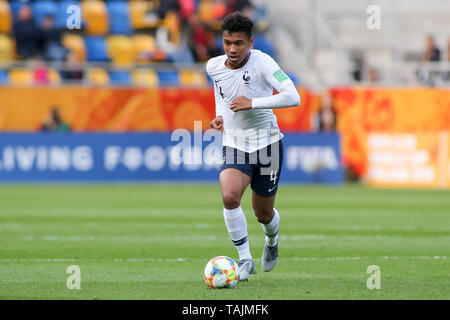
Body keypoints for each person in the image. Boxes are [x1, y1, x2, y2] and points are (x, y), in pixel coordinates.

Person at [206, 12, 300, 282]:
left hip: (268, 146)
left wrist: (253, 103)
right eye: (227, 42)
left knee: (263, 213)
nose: (232, 49)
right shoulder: (214, 66)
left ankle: (272, 241)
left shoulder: (263, 63)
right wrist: (221, 115)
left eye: (238, 43)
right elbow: (220, 93)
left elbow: (293, 96)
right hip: (235, 144)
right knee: (230, 196)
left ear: (250, 41)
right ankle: (245, 259)